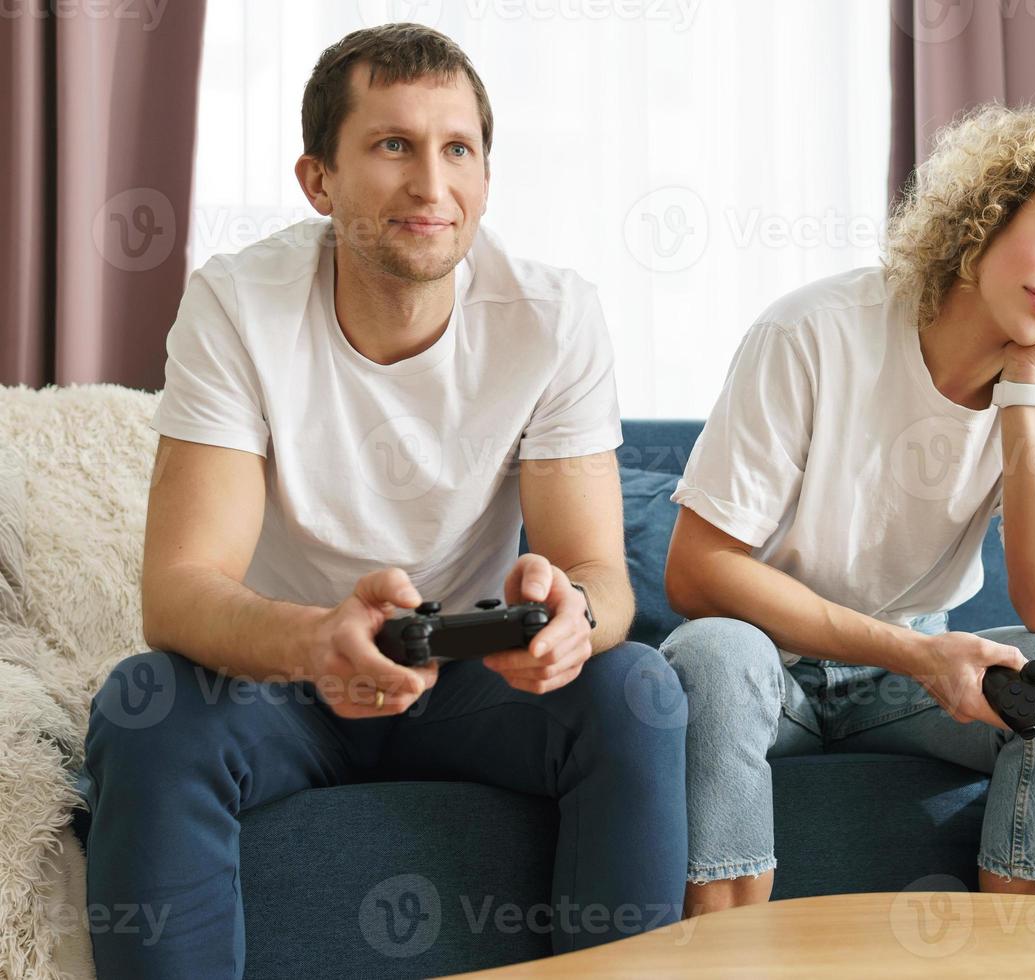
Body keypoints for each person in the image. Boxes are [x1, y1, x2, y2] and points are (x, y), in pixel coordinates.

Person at [75, 24, 687, 977]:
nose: (431, 187)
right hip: (285, 683)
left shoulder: (554, 316)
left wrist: (575, 615)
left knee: (638, 688)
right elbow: (181, 590)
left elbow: (597, 573)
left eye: (458, 150)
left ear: (487, 176)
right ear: (317, 180)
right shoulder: (238, 304)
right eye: (393, 145)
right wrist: (320, 640)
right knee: (141, 706)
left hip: (474, 685)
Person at [659, 84, 1035, 917]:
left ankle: (1022, 959)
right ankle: (724, 960)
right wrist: (918, 657)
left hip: (904, 684)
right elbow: (697, 574)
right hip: (771, 663)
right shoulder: (813, 332)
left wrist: (1028, 389)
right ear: (999, 207)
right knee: (714, 653)